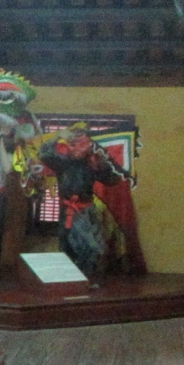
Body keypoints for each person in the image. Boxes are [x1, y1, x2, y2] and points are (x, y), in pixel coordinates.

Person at [38, 122, 128, 284]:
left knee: (95, 248)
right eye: (73, 143)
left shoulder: (92, 164)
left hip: (87, 210)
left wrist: (104, 162)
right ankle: (74, 281)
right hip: (69, 211)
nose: (77, 148)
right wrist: (57, 136)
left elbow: (112, 180)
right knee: (70, 247)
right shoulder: (62, 162)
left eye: (81, 143)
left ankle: (86, 280)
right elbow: (44, 153)